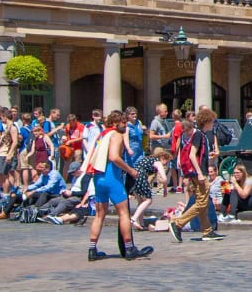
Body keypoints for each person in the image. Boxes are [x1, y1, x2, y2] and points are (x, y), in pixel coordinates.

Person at [84, 111, 152, 260]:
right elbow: (114, 157)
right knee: (123, 212)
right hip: (111, 177)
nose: (125, 125)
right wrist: (131, 170)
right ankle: (129, 248)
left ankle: (92, 250)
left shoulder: (103, 134)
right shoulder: (116, 135)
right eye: (123, 122)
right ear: (115, 123)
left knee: (99, 214)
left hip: (98, 176)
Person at [168, 110, 224, 243]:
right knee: (201, 203)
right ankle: (178, 224)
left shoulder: (201, 134)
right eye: (212, 121)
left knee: (202, 202)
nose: (213, 124)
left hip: (196, 171)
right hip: (199, 173)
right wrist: (200, 173)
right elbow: (192, 155)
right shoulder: (199, 134)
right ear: (207, 122)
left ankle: (207, 231)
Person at [128, 148, 172, 229]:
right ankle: (133, 219)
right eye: (167, 162)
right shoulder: (158, 162)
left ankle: (141, 223)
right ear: (163, 158)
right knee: (148, 200)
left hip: (133, 177)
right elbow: (165, 179)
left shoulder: (148, 159)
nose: (166, 164)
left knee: (141, 201)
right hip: (141, 177)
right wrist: (165, 190)